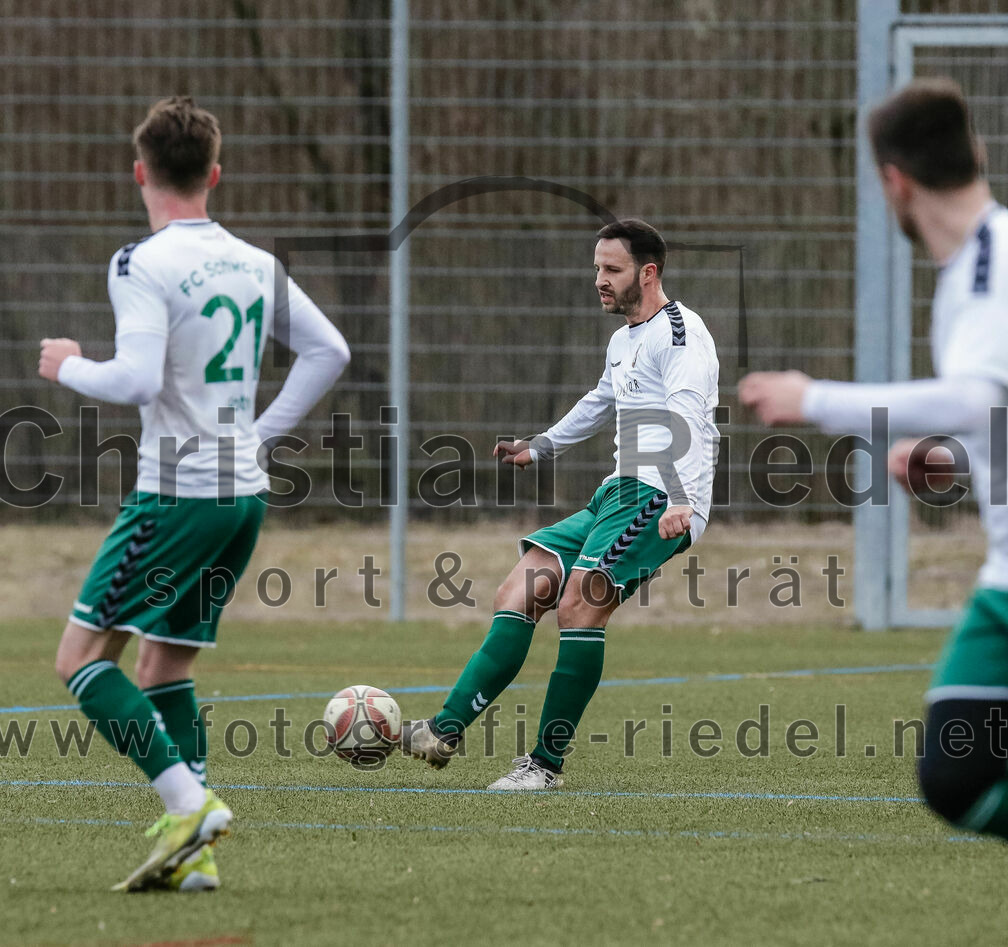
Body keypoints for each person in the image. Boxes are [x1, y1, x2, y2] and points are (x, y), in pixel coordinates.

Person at [39, 96, 350, 890]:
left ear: (140, 171)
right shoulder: (253, 261)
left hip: (175, 497)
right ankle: (196, 858)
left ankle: (187, 802)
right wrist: (260, 437)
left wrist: (67, 364)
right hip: (242, 498)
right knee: (164, 667)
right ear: (215, 174)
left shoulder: (141, 262)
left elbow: (136, 376)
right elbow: (329, 350)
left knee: (79, 658)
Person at [740, 77, 1008, 840]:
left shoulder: (989, 267)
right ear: (976, 152)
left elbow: (972, 395)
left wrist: (815, 398)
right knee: (956, 773)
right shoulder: (976, 270)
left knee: (957, 774)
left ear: (894, 180)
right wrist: (952, 461)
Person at [402, 217, 720, 789]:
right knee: (521, 589)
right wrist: (540, 447)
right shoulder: (625, 338)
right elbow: (602, 400)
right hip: (616, 493)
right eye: (597, 267)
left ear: (648, 274)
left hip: (659, 497)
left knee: (579, 606)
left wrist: (680, 496)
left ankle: (544, 766)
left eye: (611, 269)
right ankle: (444, 730)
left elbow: (686, 416)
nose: (598, 279)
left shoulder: (680, 333)